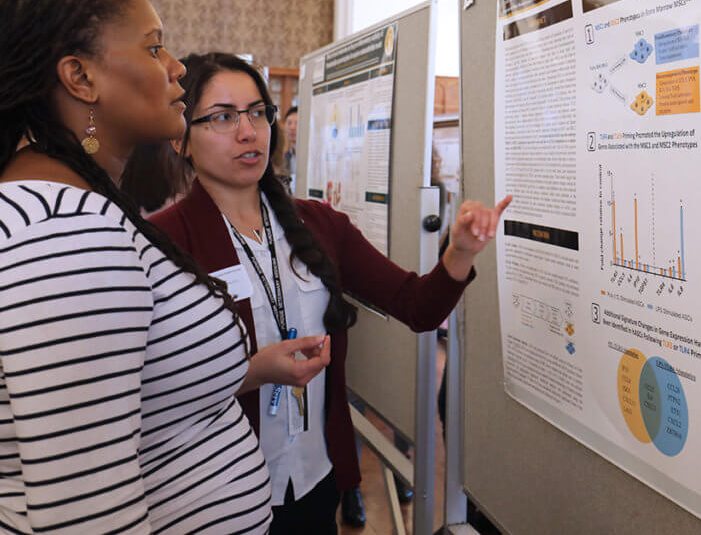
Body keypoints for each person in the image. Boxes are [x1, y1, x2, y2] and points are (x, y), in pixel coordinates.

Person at [0, 0, 329, 534]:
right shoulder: (62, 241)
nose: (176, 67)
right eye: (153, 47)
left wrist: (246, 369)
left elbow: (142, 387)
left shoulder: (71, 208)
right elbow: (88, 522)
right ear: (80, 77)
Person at [151, 52, 510, 535]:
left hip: (315, 478)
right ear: (182, 140)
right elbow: (154, 387)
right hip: (217, 492)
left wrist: (459, 251)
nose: (247, 131)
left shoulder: (320, 225)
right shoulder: (160, 241)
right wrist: (253, 371)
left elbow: (418, 307)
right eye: (222, 117)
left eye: (258, 112)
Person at [282, 105, 298, 194]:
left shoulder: (313, 158)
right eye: (289, 123)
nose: (292, 127)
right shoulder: (283, 159)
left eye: (297, 123)